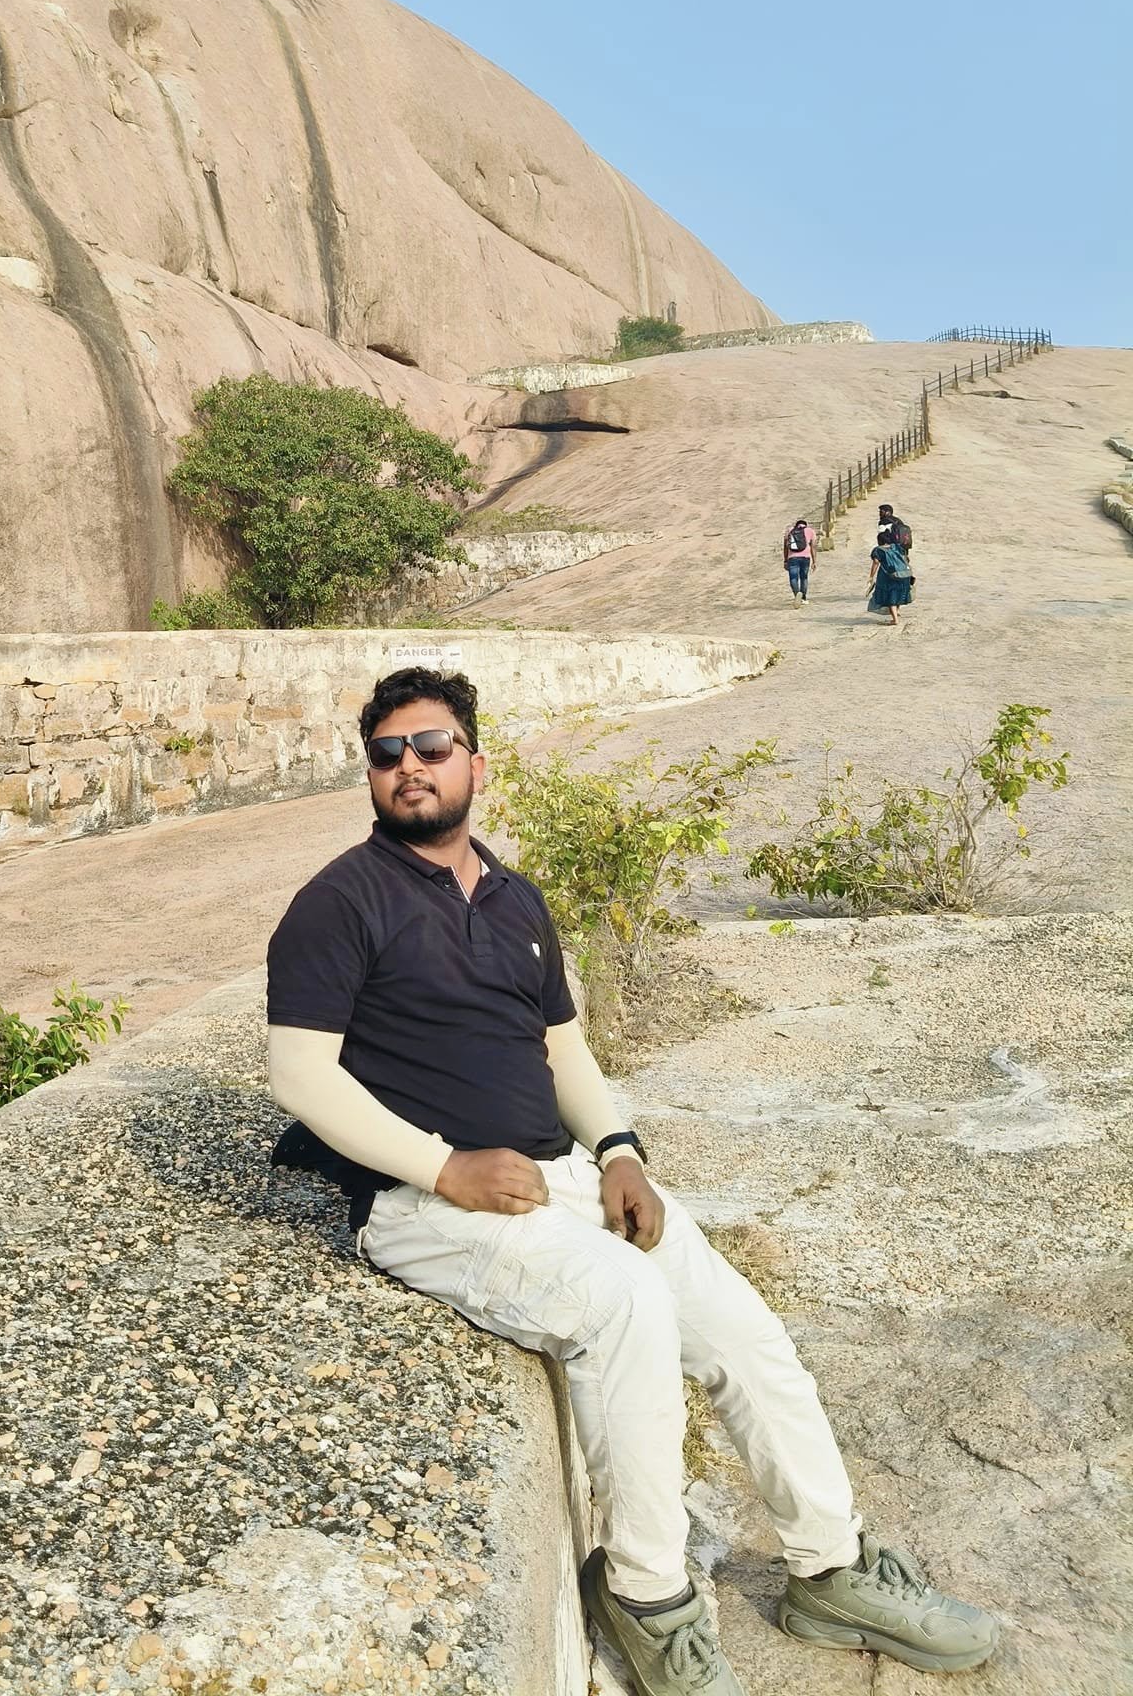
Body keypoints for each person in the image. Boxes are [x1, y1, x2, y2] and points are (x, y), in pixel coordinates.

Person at [266, 666, 997, 1696]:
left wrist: (618, 1152)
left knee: (745, 1335)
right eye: (387, 754)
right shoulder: (340, 901)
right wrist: (445, 1166)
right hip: (423, 1203)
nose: (409, 767)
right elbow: (299, 1072)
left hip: (562, 1174)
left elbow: (561, 1048)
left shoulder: (515, 898)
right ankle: (648, 1597)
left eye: (431, 746)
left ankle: (830, 1566)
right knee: (625, 1307)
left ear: (476, 763)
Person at [868, 527, 915, 627]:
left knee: (890, 598)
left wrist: (871, 576)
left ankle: (895, 620)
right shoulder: (897, 547)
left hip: (890, 576)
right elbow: (906, 558)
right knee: (898, 594)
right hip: (904, 574)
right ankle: (896, 612)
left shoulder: (878, 550)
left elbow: (876, 562)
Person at [782, 518, 817, 602]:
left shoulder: (790, 530)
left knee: (793, 578)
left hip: (792, 558)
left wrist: (785, 560)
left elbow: (785, 547)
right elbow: (813, 547)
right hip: (805, 557)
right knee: (804, 578)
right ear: (805, 525)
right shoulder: (810, 531)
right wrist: (814, 561)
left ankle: (797, 594)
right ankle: (803, 598)